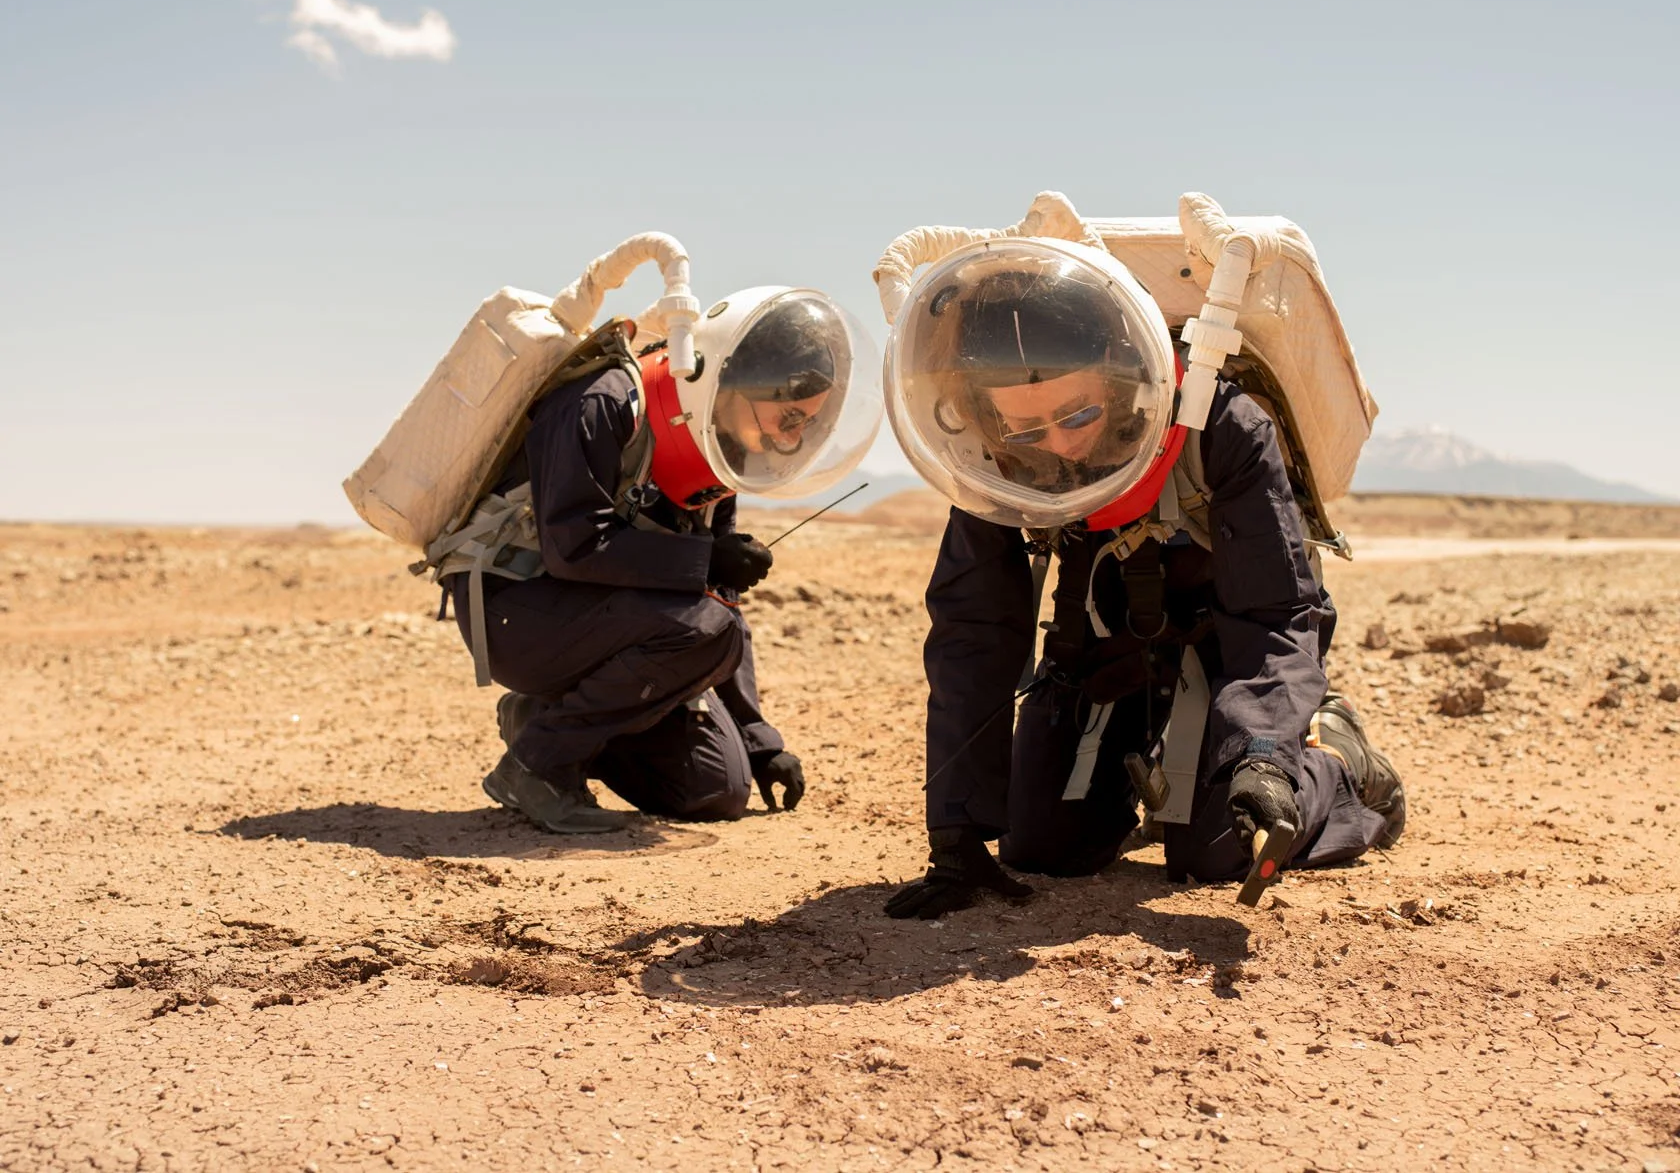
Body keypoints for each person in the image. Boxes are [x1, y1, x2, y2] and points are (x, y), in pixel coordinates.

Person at [879, 243, 1406, 918]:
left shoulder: (1220, 423)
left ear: (1123, 378)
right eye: (1026, 426)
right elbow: (973, 631)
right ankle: (1161, 784)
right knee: (1038, 846)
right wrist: (954, 837)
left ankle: (1338, 763)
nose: (1059, 445)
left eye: (1077, 416)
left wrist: (1265, 753)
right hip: (1109, 654)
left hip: (1231, 654)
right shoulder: (992, 460)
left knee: (1219, 852)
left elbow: (1275, 615)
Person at [450, 295, 864, 834]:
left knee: (715, 789)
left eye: (806, 424)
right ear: (733, 379)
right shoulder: (602, 402)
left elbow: (718, 599)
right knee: (707, 627)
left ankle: (542, 722)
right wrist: (705, 559)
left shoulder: (714, 453)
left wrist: (760, 742)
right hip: (520, 617)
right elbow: (573, 545)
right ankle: (537, 765)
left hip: (607, 631)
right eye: (789, 416)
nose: (791, 437)